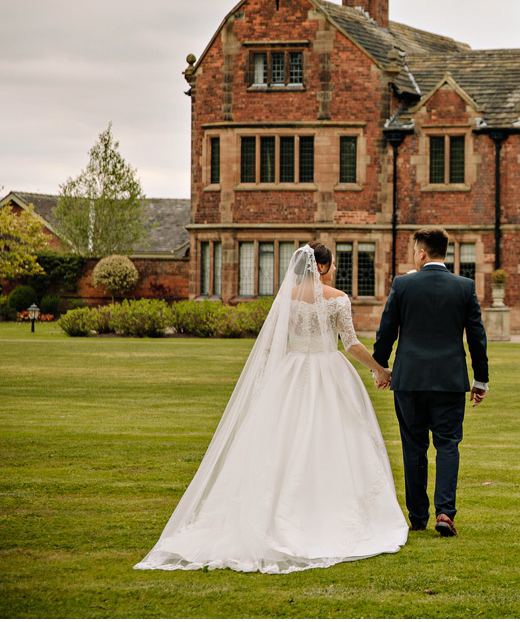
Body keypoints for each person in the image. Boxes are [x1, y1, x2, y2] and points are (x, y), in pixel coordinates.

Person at [135, 243, 407, 574]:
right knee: (334, 439)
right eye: (331, 265)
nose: (333, 270)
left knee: (284, 440)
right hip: (328, 372)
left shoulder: (285, 300)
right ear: (320, 267)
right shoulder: (337, 298)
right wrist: (380, 369)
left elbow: (272, 346)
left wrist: (270, 384)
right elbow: (349, 343)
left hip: (290, 373)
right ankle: (325, 509)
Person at [371, 228, 488, 538]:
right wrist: (481, 379)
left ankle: (419, 516)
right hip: (450, 380)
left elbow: (387, 331)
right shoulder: (464, 287)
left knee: (414, 447)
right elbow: (477, 337)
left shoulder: (403, 284)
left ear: (421, 253)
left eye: (413, 251)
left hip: (409, 379)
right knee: (448, 444)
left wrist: (380, 367)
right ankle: (445, 513)